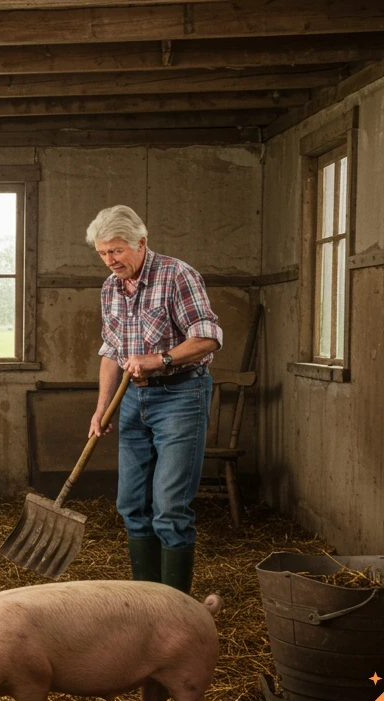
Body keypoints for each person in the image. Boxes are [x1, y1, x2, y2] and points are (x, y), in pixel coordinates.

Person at [86, 204, 222, 595]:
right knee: (131, 505)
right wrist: (102, 407)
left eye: (116, 250)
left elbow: (208, 337)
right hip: (132, 400)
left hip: (181, 394)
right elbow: (111, 351)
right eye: (102, 253)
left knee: (169, 509)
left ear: (141, 243)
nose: (110, 260)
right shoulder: (110, 288)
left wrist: (159, 359)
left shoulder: (177, 275)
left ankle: (176, 610)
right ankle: (148, 605)